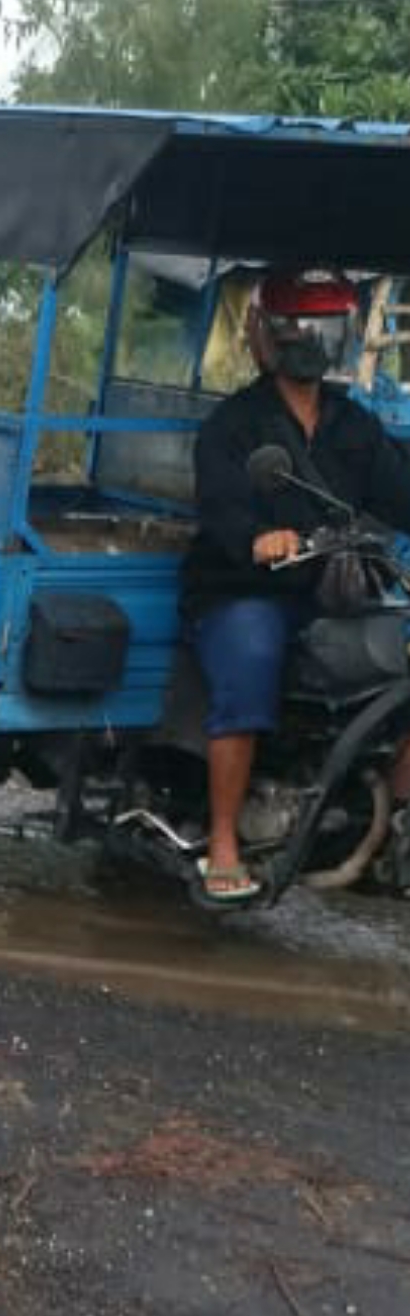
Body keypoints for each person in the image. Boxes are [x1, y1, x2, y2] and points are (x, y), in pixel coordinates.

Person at [182, 267, 410, 905]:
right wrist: (260, 537)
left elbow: (399, 490)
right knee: (251, 655)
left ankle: (392, 827)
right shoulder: (237, 424)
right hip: (242, 590)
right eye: (301, 327)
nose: (313, 341)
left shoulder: (353, 425)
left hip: (328, 593)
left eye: (326, 327)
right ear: (273, 336)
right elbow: (221, 503)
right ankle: (224, 841)